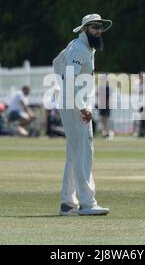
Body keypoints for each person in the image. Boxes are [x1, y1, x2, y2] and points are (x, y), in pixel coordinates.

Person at [52, 13, 111, 216]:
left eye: (100, 27)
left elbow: (56, 63)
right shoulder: (79, 49)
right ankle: (87, 202)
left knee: (74, 153)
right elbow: (69, 77)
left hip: (71, 104)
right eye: (95, 27)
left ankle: (68, 202)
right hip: (77, 107)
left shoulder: (79, 46)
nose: (99, 31)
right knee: (85, 152)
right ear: (85, 29)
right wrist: (81, 105)